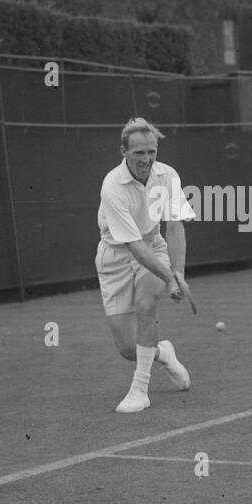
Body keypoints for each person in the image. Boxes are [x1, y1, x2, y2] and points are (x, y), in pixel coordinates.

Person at [94, 118, 195, 414]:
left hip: (153, 246)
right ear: (124, 151)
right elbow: (132, 246)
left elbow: (174, 227)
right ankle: (163, 351)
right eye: (139, 153)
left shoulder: (167, 175)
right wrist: (170, 277)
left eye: (151, 151)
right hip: (117, 255)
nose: (147, 159)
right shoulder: (112, 186)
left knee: (147, 303)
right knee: (128, 348)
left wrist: (177, 274)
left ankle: (140, 389)